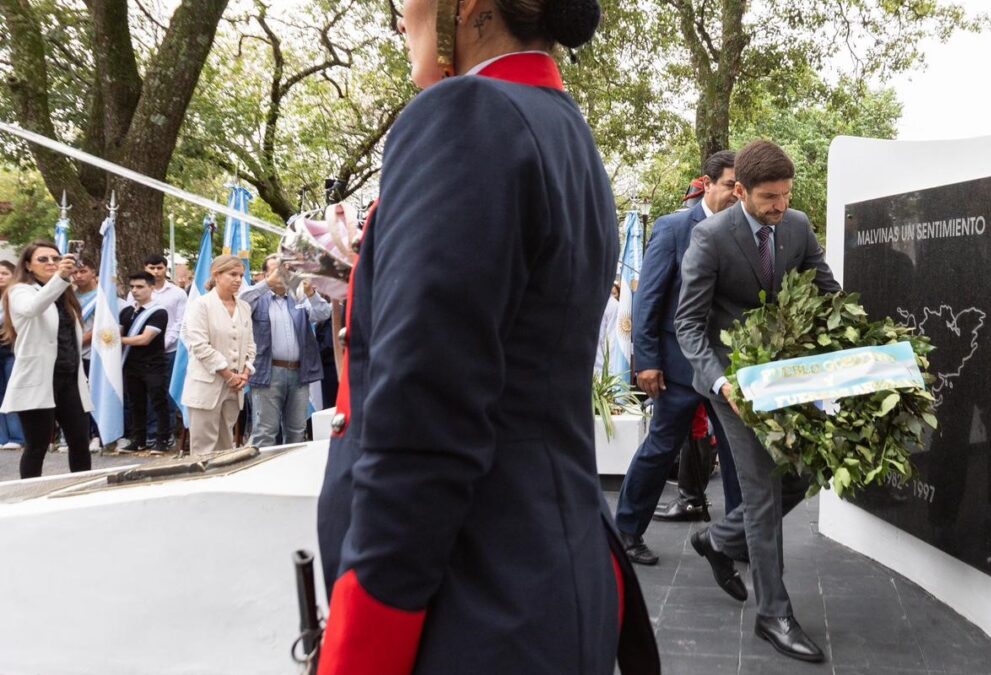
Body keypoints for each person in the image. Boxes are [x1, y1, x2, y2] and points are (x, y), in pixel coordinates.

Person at [315, 0, 658, 673]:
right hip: (543, 580)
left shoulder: (463, 115)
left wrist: (359, 655)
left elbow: (423, 421)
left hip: (473, 600)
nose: (398, 18)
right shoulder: (560, 126)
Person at [675, 140, 840, 663]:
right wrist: (723, 385)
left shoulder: (798, 226)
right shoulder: (709, 237)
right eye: (770, 197)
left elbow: (828, 292)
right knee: (763, 490)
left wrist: (861, 344)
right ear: (741, 191)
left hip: (786, 377)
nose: (781, 205)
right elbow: (688, 325)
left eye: (786, 194)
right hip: (734, 385)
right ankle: (773, 614)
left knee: (805, 472)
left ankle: (718, 539)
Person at [615, 150, 744, 566]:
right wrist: (647, 360)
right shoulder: (673, 229)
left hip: (728, 370)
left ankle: (738, 537)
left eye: (740, 187)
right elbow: (649, 299)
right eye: (730, 185)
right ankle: (627, 532)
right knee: (660, 448)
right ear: (707, 184)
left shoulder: (746, 231)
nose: (736, 194)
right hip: (677, 368)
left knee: (739, 454)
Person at [0, 241, 92, 479]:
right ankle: (30, 494)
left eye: (55, 258)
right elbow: (33, 308)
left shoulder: (65, 292)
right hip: (38, 378)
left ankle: (82, 491)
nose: (51, 263)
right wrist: (61, 278)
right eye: (43, 259)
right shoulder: (20, 290)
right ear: (28, 265)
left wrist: (62, 281)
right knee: (37, 445)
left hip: (70, 377)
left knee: (80, 441)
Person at [240, 256, 330, 448]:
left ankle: (292, 466)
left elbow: (323, 313)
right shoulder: (257, 298)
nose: (282, 275)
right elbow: (241, 303)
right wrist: (267, 284)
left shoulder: (298, 297)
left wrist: (311, 293)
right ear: (265, 274)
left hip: (299, 373)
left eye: (286, 271)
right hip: (268, 373)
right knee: (265, 432)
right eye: (276, 270)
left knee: (297, 431)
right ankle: (264, 468)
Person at [180, 255, 255, 457]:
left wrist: (245, 373)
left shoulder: (244, 307)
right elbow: (199, 346)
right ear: (217, 275)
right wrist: (228, 375)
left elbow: (250, 345)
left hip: (234, 388)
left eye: (241, 275)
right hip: (206, 386)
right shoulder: (200, 305)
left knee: (226, 447)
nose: (238, 280)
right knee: (204, 450)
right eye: (233, 274)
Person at [128, 253, 186, 445]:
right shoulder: (133, 293)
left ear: (165, 269)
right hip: (139, 352)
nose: (155, 271)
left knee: (163, 395)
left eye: (159, 268)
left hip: (168, 350)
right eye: (151, 268)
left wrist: (165, 342)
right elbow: (131, 320)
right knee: (139, 397)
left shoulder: (177, 293)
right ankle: (144, 435)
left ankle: (165, 435)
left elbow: (180, 322)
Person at [118, 271, 171, 454]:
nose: (135, 290)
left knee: (158, 402)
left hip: (153, 364)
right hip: (131, 364)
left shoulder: (159, 312)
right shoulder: (126, 311)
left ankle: (162, 439)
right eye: (132, 287)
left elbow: (144, 339)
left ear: (151, 287)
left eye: (140, 287)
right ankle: (138, 440)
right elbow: (117, 332)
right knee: (136, 403)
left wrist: (118, 341)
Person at [72, 258, 105, 450]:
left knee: (93, 395)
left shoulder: (101, 296)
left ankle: (97, 435)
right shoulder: (69, 295)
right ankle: (80, 435)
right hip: (72, 354)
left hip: (93, 353)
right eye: (75, 272)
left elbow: (101, 326)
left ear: (93, 272)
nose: (78, 276)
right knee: (76, 397)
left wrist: (78, 341)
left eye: (83, 271)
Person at [0, 260, 25, 450]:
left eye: (4, 273)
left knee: (13, 391)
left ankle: (17, 437)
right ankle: (3, 437)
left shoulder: (18, 296)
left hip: (12, 349)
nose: (0, 277)